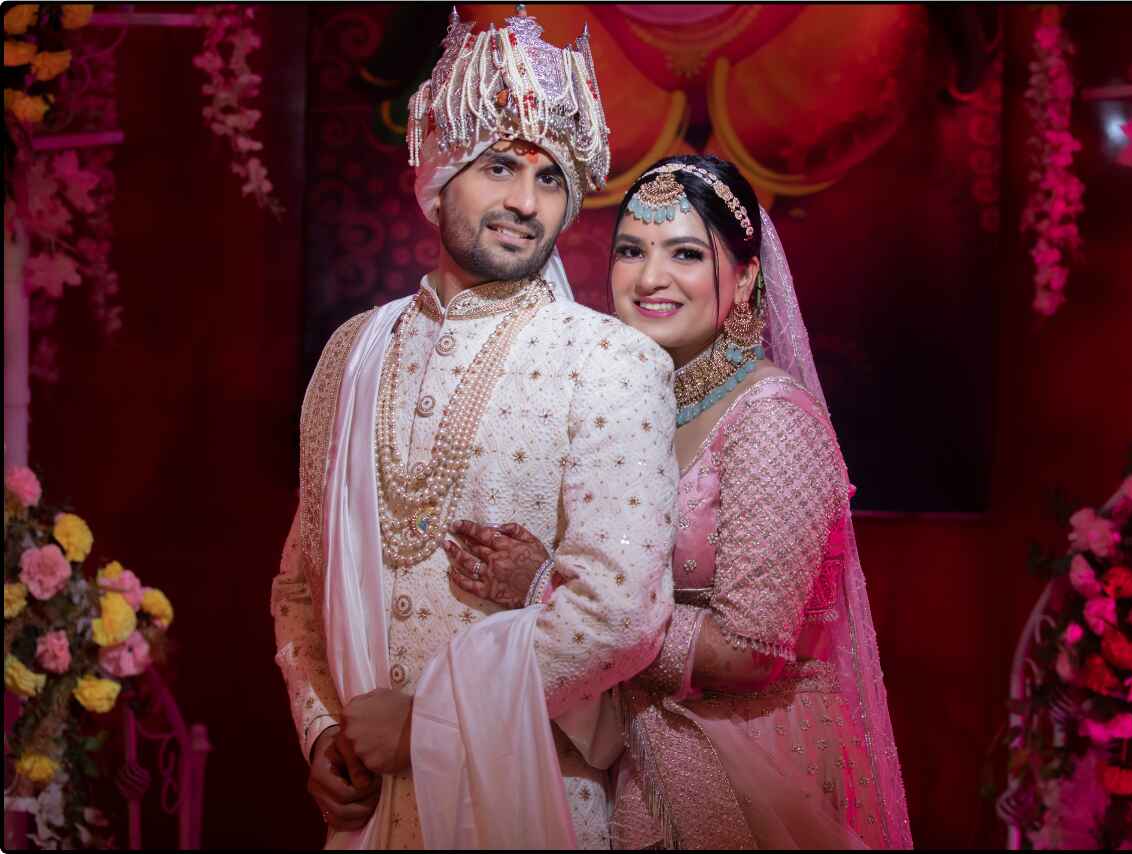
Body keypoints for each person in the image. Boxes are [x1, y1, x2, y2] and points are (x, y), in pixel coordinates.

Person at [270, 8, 678, 848]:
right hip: (370, 812)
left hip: (534, 804)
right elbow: (300, 583)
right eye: (499, 168)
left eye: (551, 179)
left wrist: (427, 723)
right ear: (440, 172)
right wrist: (321, 730)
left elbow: (621, 614)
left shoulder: (610, 362)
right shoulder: (353, 351)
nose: (525, 203)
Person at [447, 154, 914, 849]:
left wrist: (548, 588)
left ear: (746, 279)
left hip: (751, 774)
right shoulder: (631, 411)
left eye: (686, 253)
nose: (650, 277)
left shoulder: (771, 417)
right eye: (632, 250)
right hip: (631, 755)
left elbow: (749, 651)